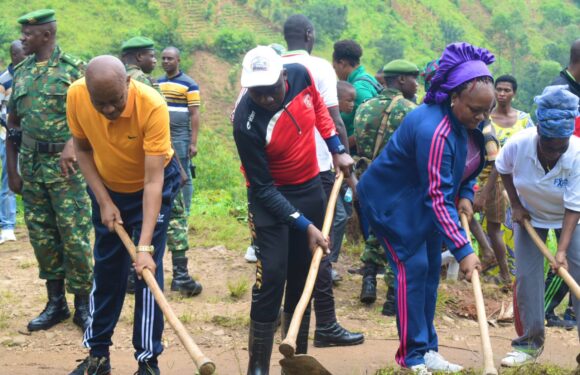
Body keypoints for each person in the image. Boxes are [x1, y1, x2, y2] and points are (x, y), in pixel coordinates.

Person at [357, 42, 493, 374]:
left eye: (485, 111)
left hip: (423, 202)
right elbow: (436, 195)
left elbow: (466, 165)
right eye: (475, 109)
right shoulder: (436, 130)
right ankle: (413, 357)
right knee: (413, 270)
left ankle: (428, 348)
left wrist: (465, 190)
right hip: (392, 204)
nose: (481, 117)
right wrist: (464, 250)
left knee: (431, 269)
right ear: (453, 97)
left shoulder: (468, 125)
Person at [233, 46, 353, 374]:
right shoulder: (245, 122)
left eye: (271, 90)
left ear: (284, 77)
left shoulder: (301, 75)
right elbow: (263, 189)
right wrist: (305, 226)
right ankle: (257, 366)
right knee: (271, 275)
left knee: (304, 275)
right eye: (257, 93)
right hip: (269, 199)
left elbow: (318, 109)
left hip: (310, 187)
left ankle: (295, 358)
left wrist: (337, 149)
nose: (266, 99)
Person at [67, 55, 181, 375]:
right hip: (107, 186)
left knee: (146, 273)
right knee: (106, 270)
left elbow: (154, 181)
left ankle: (147, 362)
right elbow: (83, 149)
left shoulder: (152, 106)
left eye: (115, 102)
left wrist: (144, 247)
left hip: (150, 185)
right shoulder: (76, 95)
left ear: (128, 84)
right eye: (99, 103)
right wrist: (103, 200)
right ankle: (98, 356)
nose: (108, 111)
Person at [6, 9, 92, 332]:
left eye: (29, 33)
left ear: (47, 34)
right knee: (42, 236)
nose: (23, 38)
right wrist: (12, 170)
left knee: (74, 235)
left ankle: (84, 303)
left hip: (66, 168)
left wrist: (74, 140)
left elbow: (94, 116)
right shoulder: (22, 71)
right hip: (31, 166)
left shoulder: (73, 70)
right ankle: (56, 302)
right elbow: (13, 124)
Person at [281, 14, 362, 348]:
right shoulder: (319, 68)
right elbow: (331, 119)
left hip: (277, 169)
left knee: (285, 245)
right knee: (322, 243)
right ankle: (325, 324)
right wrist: (345, 163)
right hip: (316, 168)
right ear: (310, 35)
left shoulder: (269, 64)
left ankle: (281, 319)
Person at [498, 85, 580, 367]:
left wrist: (562, 252)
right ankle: (528, 345)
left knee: (579, 277)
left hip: (571, 217)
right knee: (527, 279)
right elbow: (503, 169)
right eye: (549, 146)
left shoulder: (578, 153)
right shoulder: (519, 143)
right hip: (530, 216)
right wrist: (517, 207)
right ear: (540, 134)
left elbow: (574, 206)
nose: (555, 152)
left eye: (562, 145)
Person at [122, 39, 202, 298]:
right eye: (151, 56)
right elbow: (161, 133)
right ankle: (181, 275)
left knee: (134, 217)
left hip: (126, 167)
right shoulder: (145, 84)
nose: (155, 61)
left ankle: (132, 277)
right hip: (154, 161)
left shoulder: (113, 81)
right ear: (138, 56)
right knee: (176, 211)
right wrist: (178, 167)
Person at [353, 59, 419, 316]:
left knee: (376, 228)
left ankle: (368, 279)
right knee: (399, 234)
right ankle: (393, 296)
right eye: (413, 78)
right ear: (401, 80)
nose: (417, 84)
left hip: (367, 179)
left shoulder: (364, 107)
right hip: (396, 180)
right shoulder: (410, 111)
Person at [474, 75, 533, 285]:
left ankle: (509, 274)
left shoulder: (524, 121)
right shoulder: (483, 122)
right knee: (489, 226)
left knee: (504, 229)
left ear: (514, 93)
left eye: (506, 90)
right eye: (498, 89)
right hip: (488, 182)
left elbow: (531, 150)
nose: (502, 94)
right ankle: (489, 266)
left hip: (514, 185)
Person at [541, 40, 580, 329]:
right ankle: (545, 306)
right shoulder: (560, 92)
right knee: (566, 254)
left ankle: (569, 311)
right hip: (562, 182)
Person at [158, 46, 200, 216]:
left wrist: (193, 142)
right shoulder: (157, 82)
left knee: (184, 173)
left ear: (178, 60)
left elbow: (195, 113)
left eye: (170, 58)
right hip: (161, 134)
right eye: (163, 58)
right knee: (164, 171)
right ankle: (169, 207)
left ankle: (186, 211)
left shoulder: (189, 84)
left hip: (180, 135)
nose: (166, 61)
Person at [332, 39, 382, 153]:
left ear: (342, 64)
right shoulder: (367, 77)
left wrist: (342, 148)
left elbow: (371, 123)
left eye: (335, 67)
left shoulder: (358, 89)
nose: (336, 72)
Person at [0, 40, 25, 244]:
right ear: (13, 56)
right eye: (20, 53)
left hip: (31, 139)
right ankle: (8, 226)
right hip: (7, 138)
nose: (24, 56)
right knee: (9, 180)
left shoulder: (32, 77)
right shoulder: (4, 81)